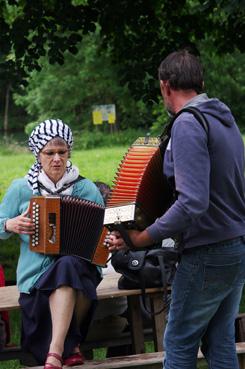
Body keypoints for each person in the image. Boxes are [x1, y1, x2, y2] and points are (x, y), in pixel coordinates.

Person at [108, 50, 245, 369]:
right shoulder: (223, 117)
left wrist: (143, 237)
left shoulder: (187, 125)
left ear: (165, 86)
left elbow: (192, 202)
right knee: (219, 339)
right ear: (200, 82)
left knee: (179, 343)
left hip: (207, 252)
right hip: (235, 247)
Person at [0, 119, 104, 369]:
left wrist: (110, 240)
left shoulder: (86, 189)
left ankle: (55, 351)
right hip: (36, 279)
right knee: (65, 268)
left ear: (69, 152)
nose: (57, 159)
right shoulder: (21, 189)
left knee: (69, 264)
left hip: (82, 273)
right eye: (49, 153)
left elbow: (104, 232)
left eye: (62, 152)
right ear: (38, 154)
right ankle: (71, 348)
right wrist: (8, 225)